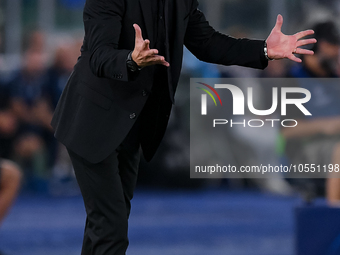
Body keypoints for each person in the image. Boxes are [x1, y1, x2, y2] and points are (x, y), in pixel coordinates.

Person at [51, 1, 316, 254]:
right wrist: (131, 60)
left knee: (107, 223)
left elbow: (207, 43)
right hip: (91, 122)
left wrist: (264, 50)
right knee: (111, 225)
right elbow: (98, 55)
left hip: (131, 124)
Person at [284, 21, 340, 205]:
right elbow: (286, 130)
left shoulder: (334, 78)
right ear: (317, 45)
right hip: (305, 150)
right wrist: (326, 125)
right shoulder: (293, 79)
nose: (336, 51)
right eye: (332, 45)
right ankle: (334, 216)